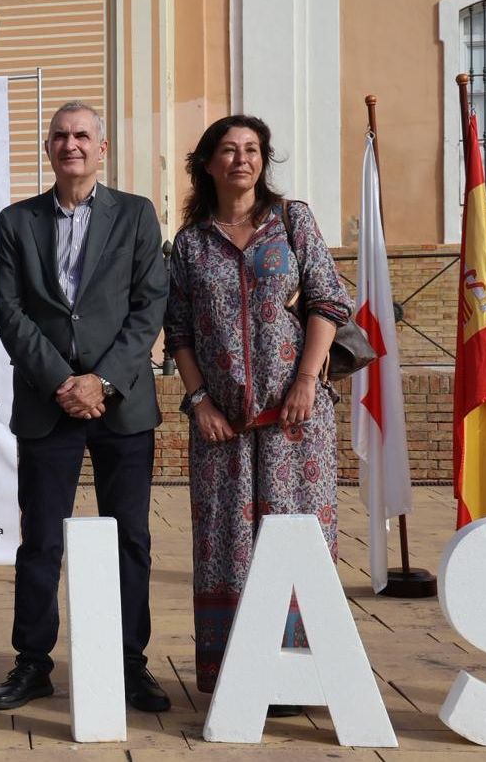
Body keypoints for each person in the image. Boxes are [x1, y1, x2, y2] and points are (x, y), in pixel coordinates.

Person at [164, 114, 351, 715]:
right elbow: (180, 333)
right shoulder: (191, 244)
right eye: (228, 149)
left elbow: (328, 299)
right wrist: (198, 403)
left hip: (296, 422)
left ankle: (301, 675)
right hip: (223, 428)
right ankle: (237, 676)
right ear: (208, 163)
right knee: (227, 546)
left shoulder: (292, 220)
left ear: (263, 160)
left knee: (296, 538)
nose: (241, 159)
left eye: (252, 150)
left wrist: (305, 381)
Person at [0, 101, 171, 713]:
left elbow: (150, 305)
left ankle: (129, 664)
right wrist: (64, 381)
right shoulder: (17, 221)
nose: (72, 145)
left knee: (131, 540)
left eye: (83, 135)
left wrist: (103, 381)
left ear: (103, 147)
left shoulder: (137, 215)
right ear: (49, 148)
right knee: (40, 540)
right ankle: (33, 663)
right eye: (61, 136)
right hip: (49, 403)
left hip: (121, 406)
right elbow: (8, 311)